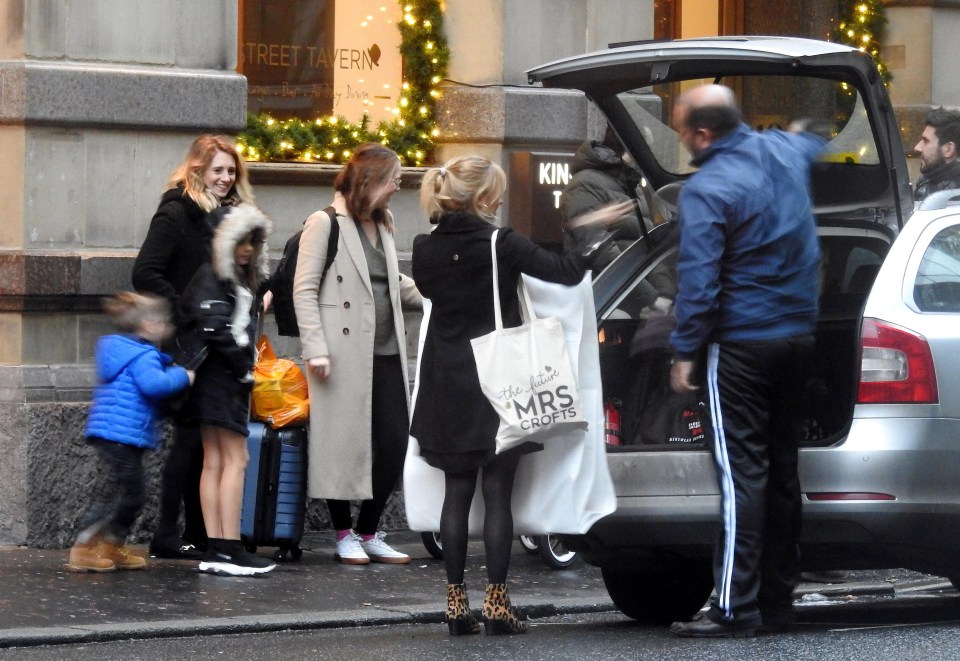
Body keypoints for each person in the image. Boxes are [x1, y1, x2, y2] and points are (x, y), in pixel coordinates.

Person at [410, 155, 631, 636]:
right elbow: (567, 272)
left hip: (446, 380)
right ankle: (497, 602)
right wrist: (592, 230)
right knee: (497, 494)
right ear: (485, 198)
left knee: (456, 491)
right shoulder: (500, 242)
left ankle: (454, 603)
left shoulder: (423, 248)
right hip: (500, 379)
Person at [666, 84, 826, 638]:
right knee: (782, 470)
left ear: (703, 134)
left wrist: (685, 349)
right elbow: (815, 141)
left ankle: (735, 604)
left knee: (741, 477)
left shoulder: (708, 188)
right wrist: (806, 130)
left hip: (740, 343)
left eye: (682, 131)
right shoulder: (783, 151)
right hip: (798, 337)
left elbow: (700, 282)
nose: (682, 141)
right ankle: (779, 599)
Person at [293, 143, 423, 566]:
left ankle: (368, 530)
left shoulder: (383, 224)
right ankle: (343, 533)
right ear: (371, 182)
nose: (397, 187)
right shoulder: (324, 223)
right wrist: (315, 349)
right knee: (341, 442)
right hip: (340, 352)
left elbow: (392, 280)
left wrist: (436, 296)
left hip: (385, 350)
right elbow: (304, 288)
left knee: (395, 441)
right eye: (393, 179)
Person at [132, 134, 255, 560]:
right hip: (190, 344)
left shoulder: (231, 216)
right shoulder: (176, 212)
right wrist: (188, 310)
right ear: (197, 170)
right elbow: (145, 273)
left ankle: (207, 535)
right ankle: (169, 534)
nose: (225, 177)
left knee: (205, 443)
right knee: (188, 441)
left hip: (215, 341)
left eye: (231, 170)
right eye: (217, 170)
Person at [176, 203, 275, 576]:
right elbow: (218, 329)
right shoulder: (217, 278)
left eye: (252, 242)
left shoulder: (211, 276)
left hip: (207, 380)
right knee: (235, 460)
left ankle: (218, 547)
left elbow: (212, 325)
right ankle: (229, 547)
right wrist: (242, 369)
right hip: (223, 379)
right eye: (241, 242)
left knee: (216, 460)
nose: (248, 249)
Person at [66, 292, 194, 572]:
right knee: (128, 495)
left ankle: (111, 544)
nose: (168, 328)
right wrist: (183, 375)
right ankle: (85, 548)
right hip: (122, 435)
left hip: (116, 433)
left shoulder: (122, 350)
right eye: (163, 322)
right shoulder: (143, 355)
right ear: (149, 324)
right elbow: (154, 386)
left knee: (121, 492)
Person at [559, 127, 644, 273]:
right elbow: (604, 257)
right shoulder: (585, 184)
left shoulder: (634, 187)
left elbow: (650, 247)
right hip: (614, 291)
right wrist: (650, 296)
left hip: (634, 286)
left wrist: (664, 292)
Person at [913, 106, 960, 206]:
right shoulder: (932, 184)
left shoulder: (951, 199)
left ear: (948, 149)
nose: (917, 147)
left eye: (926, 141)